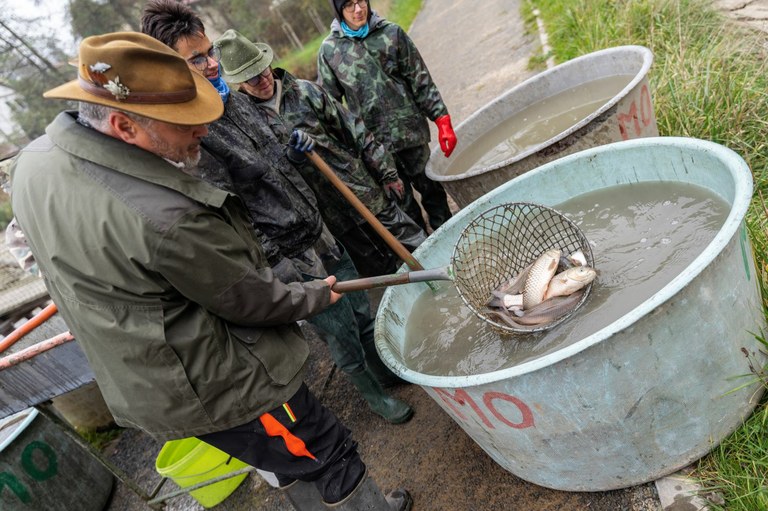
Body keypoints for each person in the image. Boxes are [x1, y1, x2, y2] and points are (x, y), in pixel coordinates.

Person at [11, 31, 410, 511]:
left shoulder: (34, 163)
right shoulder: (165, 216)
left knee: (285, 458)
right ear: (124, 125)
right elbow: (252, 299)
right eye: (185, 122)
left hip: (143, 368)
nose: (202, 129)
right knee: (324, 448)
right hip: (214, 379)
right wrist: (315, 295)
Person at [140, 0, 414, 428]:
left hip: (316, 227)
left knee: (360, 309)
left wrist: (294, 148)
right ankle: (372, 393)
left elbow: (273, 147)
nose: (213, 64)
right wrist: (281, 267)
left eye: (210, 52)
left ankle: (384, 371)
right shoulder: (195, 135)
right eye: (197, 59)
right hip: (289, 255)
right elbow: (229, 213)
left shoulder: (232, 99)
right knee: (338, 330)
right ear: (170, 70)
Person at [214, 29, 426, 278]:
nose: (263, 80)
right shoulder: (249, 119)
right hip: (329, 212)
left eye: (263, 70)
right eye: (253, 79)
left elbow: (355, 130)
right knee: (377, 269)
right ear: (240, 83)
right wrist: (292, 158)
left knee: (413, 242)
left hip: (361, 188)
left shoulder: (306, 92)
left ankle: (449, 278)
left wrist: (386, 173)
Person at [317, 0, 457, 233]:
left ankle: (452, 240)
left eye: (361, 1)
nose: (358, 10)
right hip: (376, 149)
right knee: (403, 207)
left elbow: (419, 79)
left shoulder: (392, 33)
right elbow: (330, 109)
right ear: (339, 10)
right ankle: (426, 258)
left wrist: (442, 119)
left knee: (433, 192)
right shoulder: (330, 51)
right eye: (349, 5)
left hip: (411, 132)